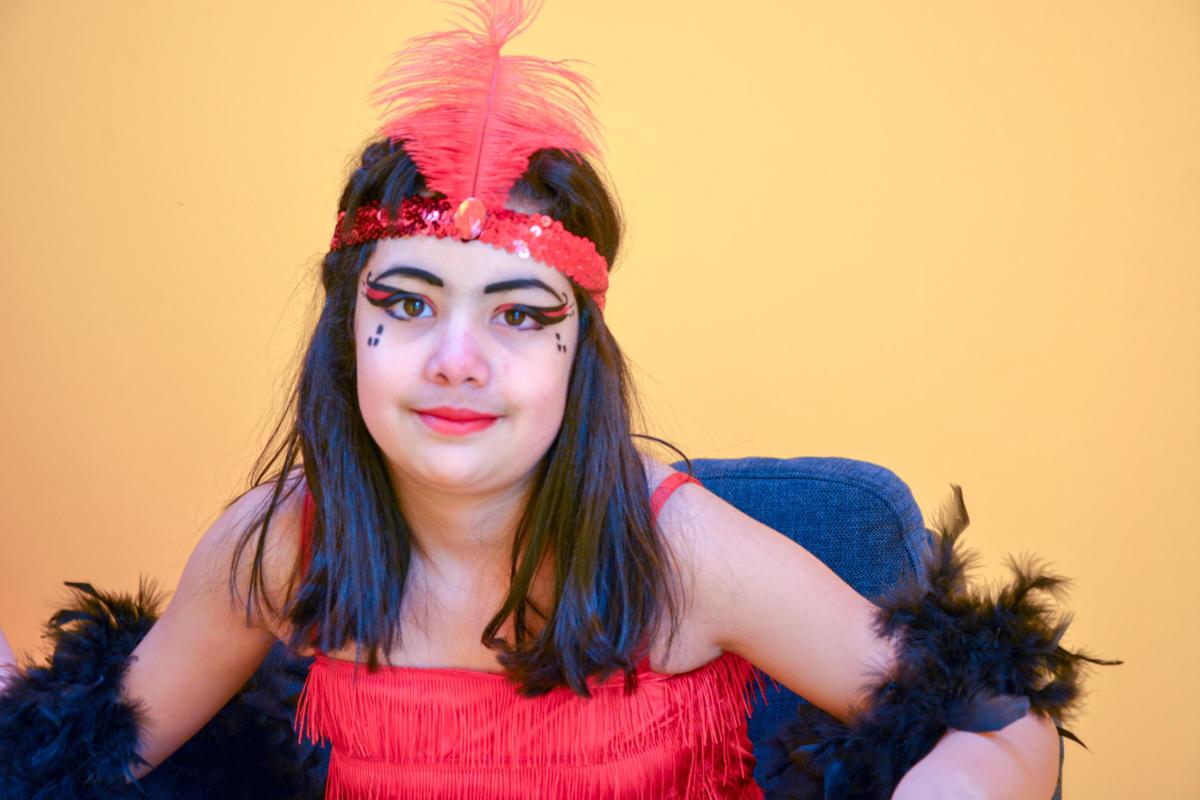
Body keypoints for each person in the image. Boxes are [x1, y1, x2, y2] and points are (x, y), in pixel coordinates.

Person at [0, 1, 1114, 798]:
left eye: (520, 314)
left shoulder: (686, 556)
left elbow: (1006, 726)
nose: (457, 360)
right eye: (408, 302)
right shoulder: (278, 548)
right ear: (346, 334)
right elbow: (86, 749)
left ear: (580, 357)